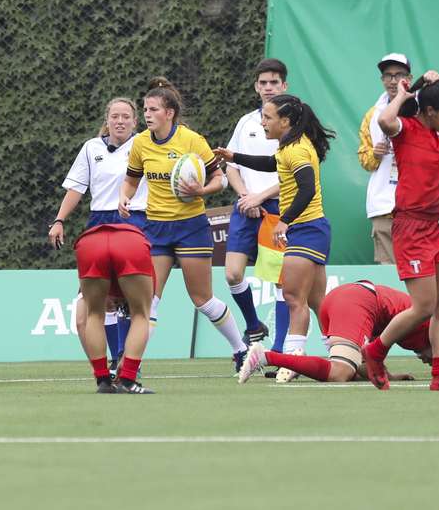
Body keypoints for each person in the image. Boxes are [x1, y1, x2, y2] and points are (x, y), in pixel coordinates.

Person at [363, 71, 439, 391]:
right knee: (424, 307)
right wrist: (405, 95)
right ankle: (375, 351)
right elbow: (385, 121)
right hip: (411, 227)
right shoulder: (407, 129)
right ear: (428, 111)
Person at [119, 77, 248, 371]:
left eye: (152, 109)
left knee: (202, 299)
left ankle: (240, 349)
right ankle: (131, 365)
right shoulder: (140, 143)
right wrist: (123, 198)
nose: (147, 114)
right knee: (148, 301)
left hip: (191, 226)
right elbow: (130, 180)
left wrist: (202, 190)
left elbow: (220, 178)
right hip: (157, 229)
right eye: (145, 109)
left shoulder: (191, 141)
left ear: (169, 113)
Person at [214, 94, 336, 382]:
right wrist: (235, 157)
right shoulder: (290, 146)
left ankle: (293, 361)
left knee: (294, 297)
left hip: (306, 231)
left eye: (268, 117)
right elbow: (272, 164)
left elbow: (306, 189)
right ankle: (347, 352)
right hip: (312, 229)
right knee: (319, 302)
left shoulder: (296, 151)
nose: (263, 122)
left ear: (286, 121)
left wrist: (284, 221)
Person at [48, 97, 146, 377]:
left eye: (126, 116)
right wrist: (59, 220)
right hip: (98, 224)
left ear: (134, 121)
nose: (120, 121)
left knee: (129, 299)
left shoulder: (144, 146)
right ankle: (111, 364)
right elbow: (77, 188)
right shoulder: (92, 148)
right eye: (115, 116)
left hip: (133, 220)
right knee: (93, 307)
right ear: (107, 119)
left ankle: (127, 364)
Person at [238, 281, 439, 383]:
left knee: (354, 371)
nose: (425, 361)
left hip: (342, 300)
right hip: (358, 303)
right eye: (431, 359)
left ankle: (293, 364)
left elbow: (369, 355)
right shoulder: (426, 325)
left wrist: (389, 376)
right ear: (438, 344)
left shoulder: (420, 335)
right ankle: (267, 356)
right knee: (340, 372)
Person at [224, 58, 290, 353]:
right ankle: (253, 325)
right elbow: (230, 165)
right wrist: (244, 196)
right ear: (255, 87)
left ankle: (278, 349)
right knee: (232, 274)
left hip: (277, 209)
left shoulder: (294, 125)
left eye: (273, 82)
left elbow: (295, 174)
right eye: (263, 83)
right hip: (244, 206)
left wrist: (259, 198)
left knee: (281, 281)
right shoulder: (246, 122)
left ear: (284, 86)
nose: (268, 88)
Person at [73, 223, 155, 394]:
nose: (116, 306)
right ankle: (128, 381)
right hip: (130, 243)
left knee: (94, 314)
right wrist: (127, 363)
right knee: (141, 315)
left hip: (90, 242)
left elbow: (81, 321)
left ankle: (103, 381)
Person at [356, 53, 413, 264]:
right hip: (384, 205)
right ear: (382, 80)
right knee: (388, 270)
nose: (392, 80)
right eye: (387, 75)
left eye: (398, 75)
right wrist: (375, 155)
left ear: (409, 77)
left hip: (416, 206)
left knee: (418, 267)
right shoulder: (372, 115)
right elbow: (364, 159)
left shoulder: (423, 109)